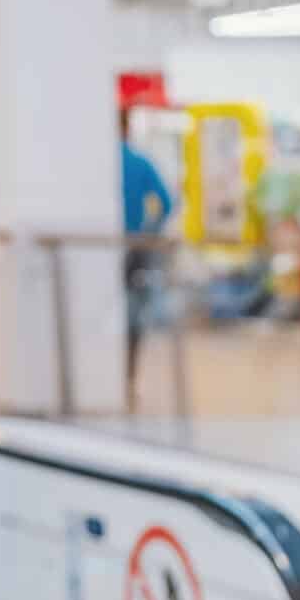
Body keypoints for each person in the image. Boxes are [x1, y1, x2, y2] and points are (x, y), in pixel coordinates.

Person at [122, 134, 176, 404]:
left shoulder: (97, 163)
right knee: (133, 314)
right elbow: (167, 202)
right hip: (135, 247)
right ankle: (129, 376)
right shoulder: (139, 161)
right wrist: (150, 232)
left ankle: (107, 373)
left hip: (103, 250)